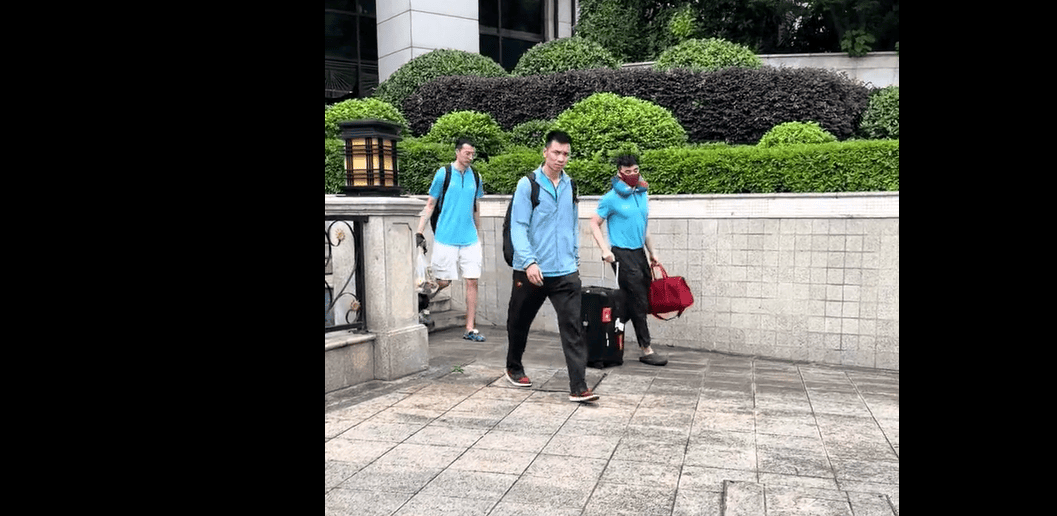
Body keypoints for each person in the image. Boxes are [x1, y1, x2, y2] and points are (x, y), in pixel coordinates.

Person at [506, 130, 599, 403]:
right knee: (519, 322)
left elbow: (572, 224)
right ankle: (513, 366)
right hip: (531, 271)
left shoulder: (571, 185)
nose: (561, 158)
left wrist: (574, 258)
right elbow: (518, 226)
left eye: (565, 154)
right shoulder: (528, 185)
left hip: (565, 272)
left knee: (573, 328)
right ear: (545, 151)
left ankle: (579, 386)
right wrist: (529, 261)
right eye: (556, 152)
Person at [589, 154, 668, 366]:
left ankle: (598, 333)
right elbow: (594, 223)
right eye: (628, 172)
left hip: (639, 253)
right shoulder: (611, 198)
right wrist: (605, 250)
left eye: (635, 170)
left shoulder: (641, 194)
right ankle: (646, 349)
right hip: (621, 254)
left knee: (632, 302)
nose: (633, 175)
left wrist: (652, 252)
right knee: (638, 300)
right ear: (619, 173)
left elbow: (644, 227)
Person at [416, 138, 486, 342]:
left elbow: (476, 207)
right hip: (445, 236)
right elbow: (430, 204)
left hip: (470, 239)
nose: (470, 157)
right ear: (457, 152)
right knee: (443, 281)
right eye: (467, 153)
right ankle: (421, 301)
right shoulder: (444, 173)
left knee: (472, 281)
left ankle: (470, 328)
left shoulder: (476, 176)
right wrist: (419, 231)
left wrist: (478, 232)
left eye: (472, 154)